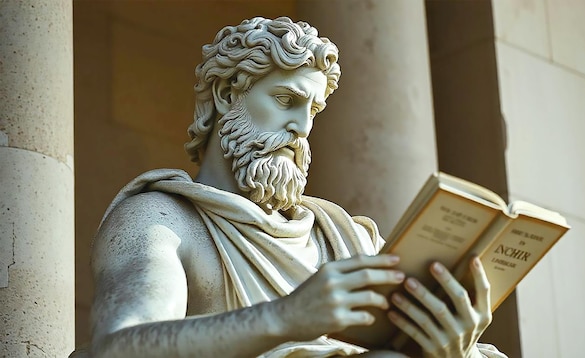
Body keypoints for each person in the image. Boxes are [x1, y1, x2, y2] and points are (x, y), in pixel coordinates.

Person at [87, 17, 507, 358]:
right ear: (224, 93)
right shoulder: (162, 221)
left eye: (314, 109)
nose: (302, 128)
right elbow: (119, 347)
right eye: (287, 100)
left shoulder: (349, 237)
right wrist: (286, 317)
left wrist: (453, 347)